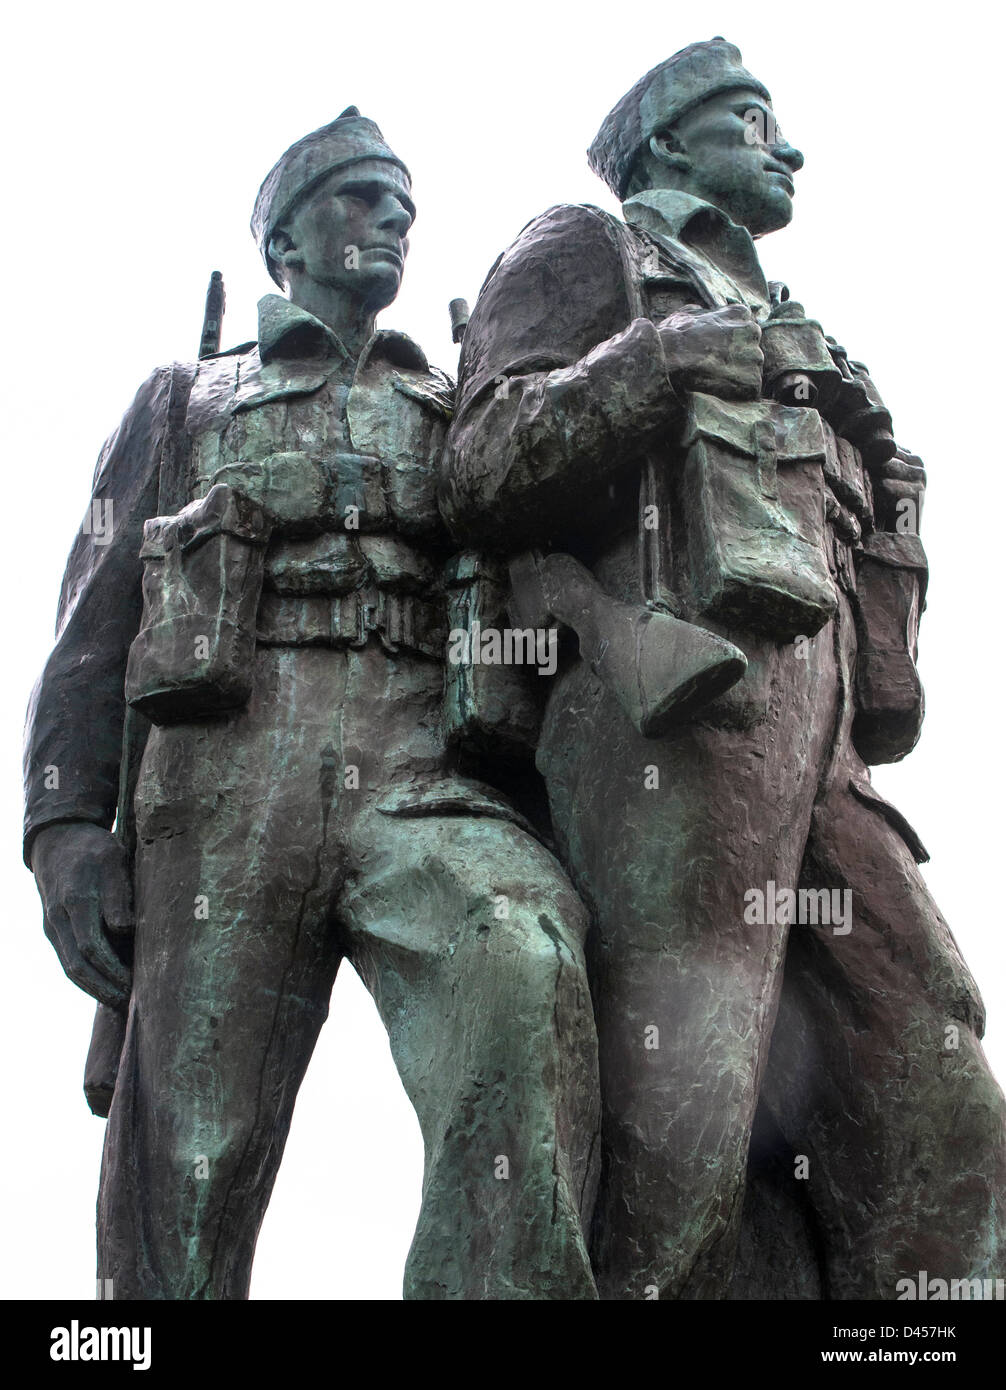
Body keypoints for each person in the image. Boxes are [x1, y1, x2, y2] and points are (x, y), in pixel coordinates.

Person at [442, 39, 1006, 1299]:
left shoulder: (805, 327)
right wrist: (653, 363)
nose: (785, 147)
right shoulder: (585, 251)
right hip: (678, 710)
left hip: (835, 753)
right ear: (664, 144)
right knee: (680, 1128)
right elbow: (478, 465)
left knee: (940, 1103)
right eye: (750, 121)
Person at [24, 109, 600, 1300]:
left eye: (402, 204)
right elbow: (92, 627)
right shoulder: (183, 400)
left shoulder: (455, 408)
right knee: (191, 1152)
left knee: (517, 951)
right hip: (222, 779)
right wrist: (66, 828)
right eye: (358, 198)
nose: (392, 219)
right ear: (285, 237)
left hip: (420, 767)